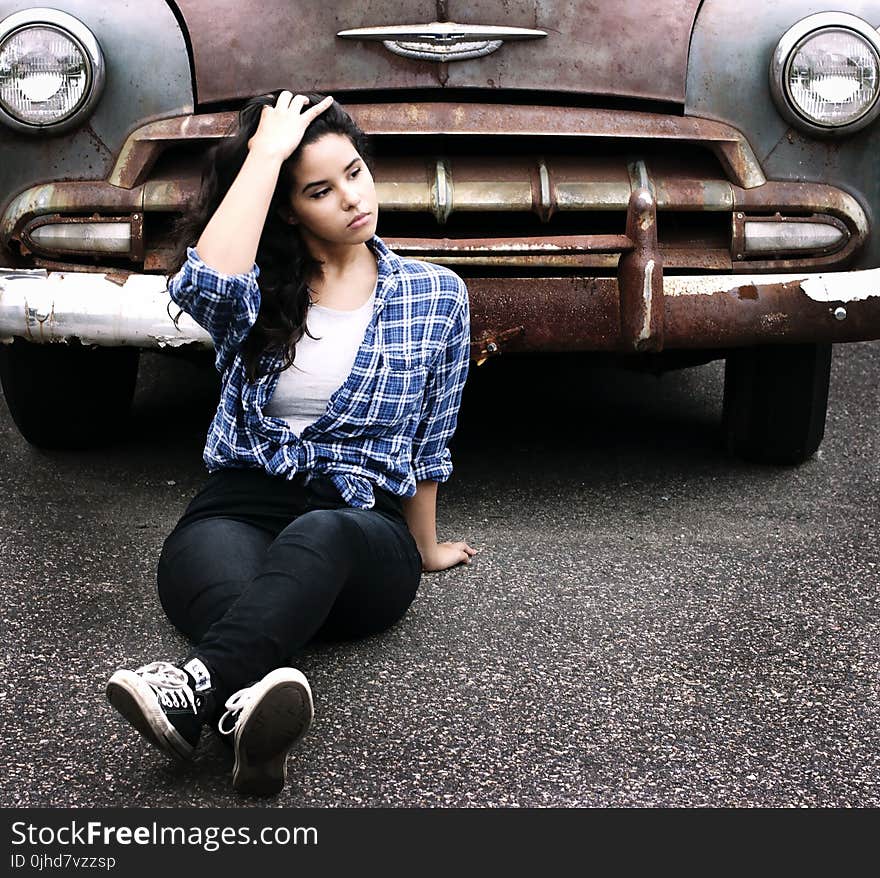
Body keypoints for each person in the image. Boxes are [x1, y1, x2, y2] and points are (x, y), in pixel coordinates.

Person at [105, 91, 476, 796]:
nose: (352, 199)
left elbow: (432, 438)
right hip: (238, 507)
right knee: (235, 592)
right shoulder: (258, 293)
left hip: (357, 530)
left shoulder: (437, 296)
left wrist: (425, 549)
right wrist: (266, 153)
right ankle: (248, 712)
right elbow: (205, 282)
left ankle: (193, 690)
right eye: (320, 189)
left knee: (319, 533)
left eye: (356, 173)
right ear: (286, 209)